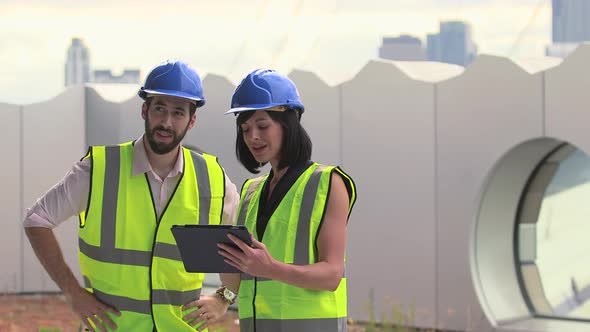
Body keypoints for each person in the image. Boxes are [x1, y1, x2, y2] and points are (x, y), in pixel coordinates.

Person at [24, 60, 239, 332]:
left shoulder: (213, 178)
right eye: (159, 108)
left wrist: (224, 297)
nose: (166, 122)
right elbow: (36, 220)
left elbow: (241, 245)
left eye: (178, 113)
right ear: (145, 110)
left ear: (191, 120)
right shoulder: (99, 169)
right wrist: (73, 293)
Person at [216, 69, 357, 332]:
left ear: (289, 122)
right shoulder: (250, 192)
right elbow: (240, 278)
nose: (252, 136)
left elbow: (332, 274)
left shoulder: (328, 182)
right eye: (245, 128)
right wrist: (220, 293)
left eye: (262, 125)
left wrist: (271, 268)